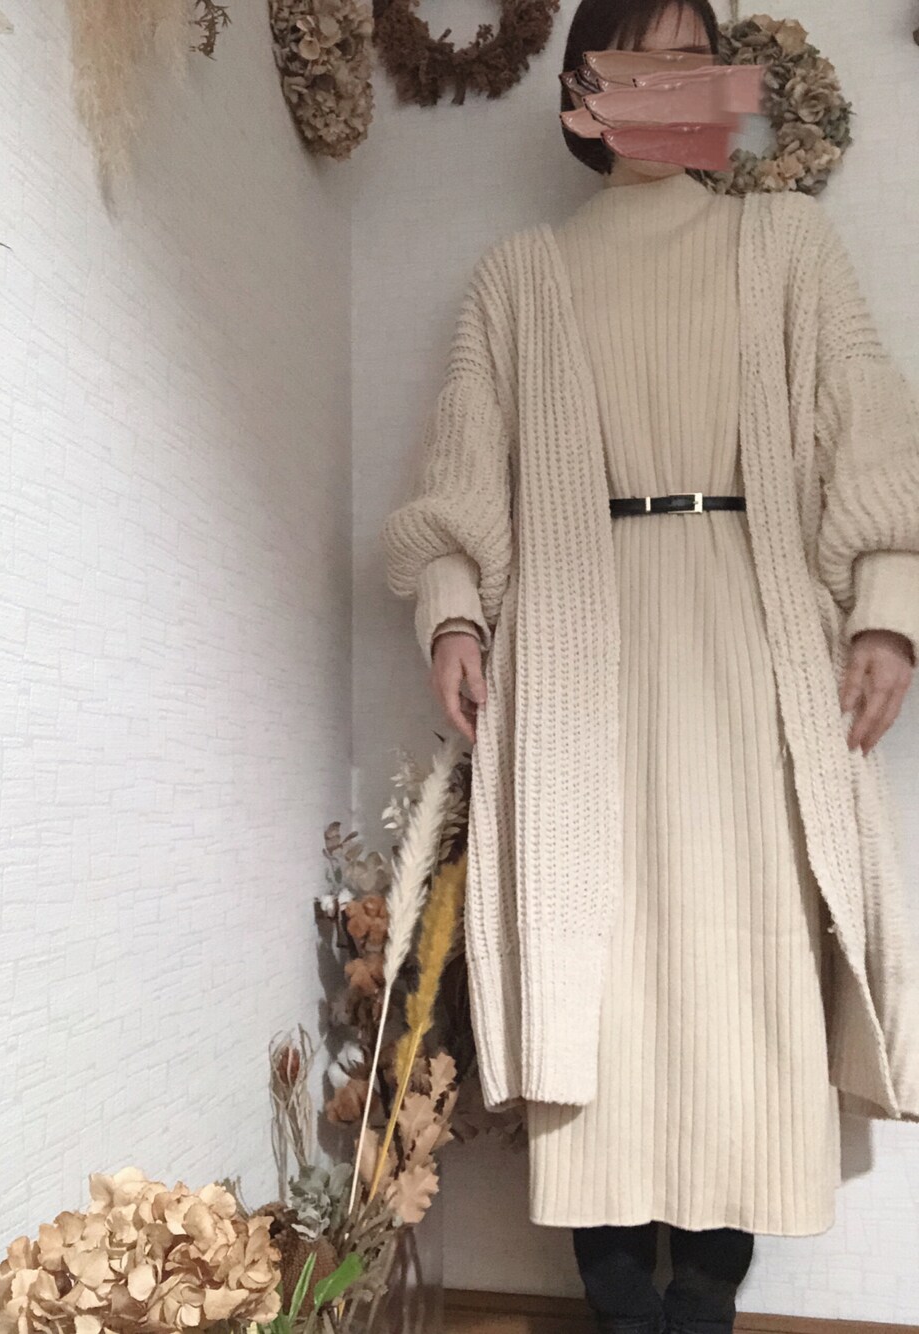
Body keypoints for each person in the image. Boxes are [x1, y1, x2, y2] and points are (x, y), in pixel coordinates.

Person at [379, 3, 919, 1332]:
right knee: (597, 967)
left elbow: (868, 431)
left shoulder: (786, 246)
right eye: (638, 65)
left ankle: (712, 1294)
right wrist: (452, 610)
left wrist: (886, 608)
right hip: (574, 647)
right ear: (580, 96)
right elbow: (461, 474)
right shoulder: (518, 278)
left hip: (755, 637)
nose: (670, 89)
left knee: (751, 959)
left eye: (693, 64)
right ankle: (621, 1296)